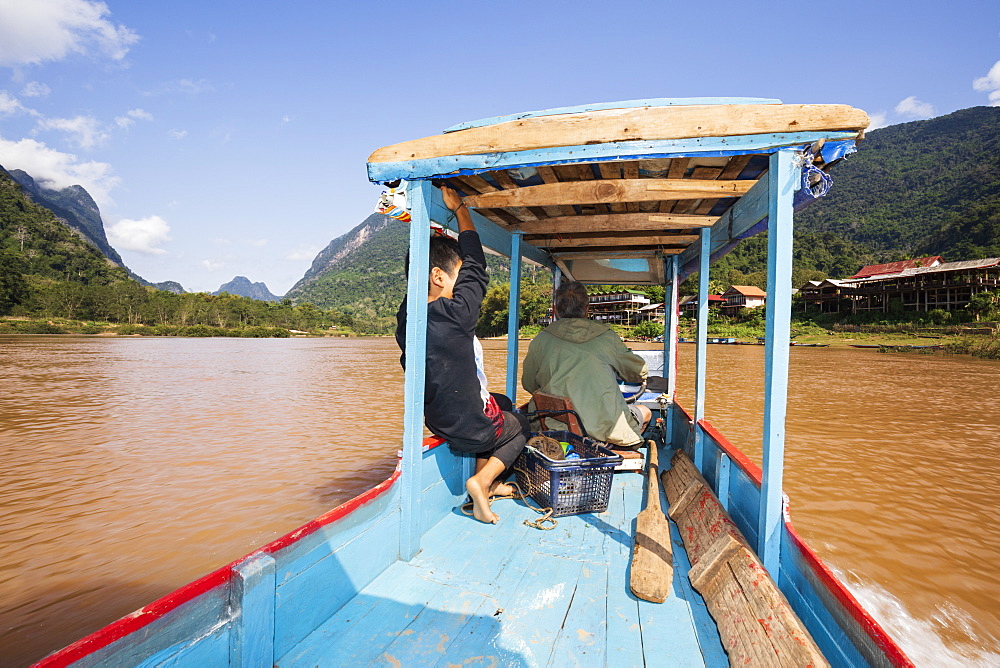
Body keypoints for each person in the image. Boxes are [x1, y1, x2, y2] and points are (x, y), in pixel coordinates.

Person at [395, 186, 529, 524]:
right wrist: (460, 210)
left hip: (439, 418)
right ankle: (482, 482)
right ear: (438, 276)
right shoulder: (456, 314)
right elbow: (477, 263)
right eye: (455, 273)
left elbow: (462, 270)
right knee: (517, 424)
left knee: (503, 401)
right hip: (471, 425)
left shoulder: (406, 319)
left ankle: (492, 483)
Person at [521, 281, 651, 449]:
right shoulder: (606, 337)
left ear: (555, 310)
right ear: (587, 309)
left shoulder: (540, 340)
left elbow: (529, 384)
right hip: (606, 432)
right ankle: (622, 449)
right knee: (645, 411)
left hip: (559, 429)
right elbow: (639, 372)